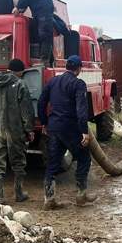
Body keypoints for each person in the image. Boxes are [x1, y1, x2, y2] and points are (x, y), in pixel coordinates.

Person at [37, 55, 95, 209]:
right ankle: (81, 195)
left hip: (54, 127)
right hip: (70, 128)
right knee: (84, 157)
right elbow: (81, 110)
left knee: (52, 163)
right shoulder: (78, 84)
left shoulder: (53, 81)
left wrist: (44, 122)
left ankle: (49, 200)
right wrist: (84, 132)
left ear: (67, 67)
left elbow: (41, 102)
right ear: (79, 69)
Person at [0, 58, 35, 204]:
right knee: (18, 161)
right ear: (19, 71)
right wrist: (29, 129)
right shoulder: (20, 84)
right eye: (22, 72)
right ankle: (19, 193)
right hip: (15, 129)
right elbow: (26, 110)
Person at [7, 0, 55, 66]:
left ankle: (45, 61)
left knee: (44, 33)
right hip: (37, 9)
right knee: (40, 34)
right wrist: (22, 9)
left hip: (43, 8)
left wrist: (18, 7)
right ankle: (49, 60)